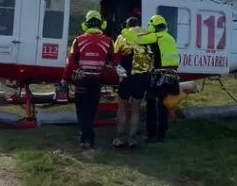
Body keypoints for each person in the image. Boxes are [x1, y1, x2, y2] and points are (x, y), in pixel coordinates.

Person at [61, 10, 114, 150]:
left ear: (85, 24)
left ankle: (87, 138)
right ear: (102, 24)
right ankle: (86, 137)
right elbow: (112, 62)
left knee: (81, 110)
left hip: (81, 81)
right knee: (91, 110)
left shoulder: (78, 40)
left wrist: (65, 79)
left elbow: (70, 63)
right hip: (97, 81)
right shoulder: (108, 41)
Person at [122, 14, 179, 142]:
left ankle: (151, 133)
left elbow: (137, 40)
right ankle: (161, 135)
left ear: (153, 25)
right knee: (163, 106)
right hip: (172, 77)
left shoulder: (156, 37)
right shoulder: (170, 38)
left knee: (152, 104)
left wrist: (125, 31)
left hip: (159, 76)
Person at [112, 16, 153, 148]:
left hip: (126, 77)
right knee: (136, 109)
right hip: (141, 77)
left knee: (122, 108)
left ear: (127, 26)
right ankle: (132, 139)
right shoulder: (147, 37)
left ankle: (119, 138)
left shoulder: (122, 37)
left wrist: (120, 73)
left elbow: (115, 58)